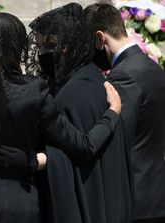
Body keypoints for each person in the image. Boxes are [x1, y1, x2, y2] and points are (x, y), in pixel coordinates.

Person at [0, 12, 122, 223]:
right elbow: (83, 146)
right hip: (22, 202)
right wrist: (112, 115)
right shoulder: (34, 90)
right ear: (19, 47)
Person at [26, 3, 131, 223]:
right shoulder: (90, 77)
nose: (42, 54)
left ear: (67, 45)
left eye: (47, 46)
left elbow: (81, 153)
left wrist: (42, 160)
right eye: (40, 46)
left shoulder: (74, 92)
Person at [84, 4, 165, 223]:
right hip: (155, 195)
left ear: (99, 38)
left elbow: (116, 138)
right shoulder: (152, 68)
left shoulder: (123, 76)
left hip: (135, 199)